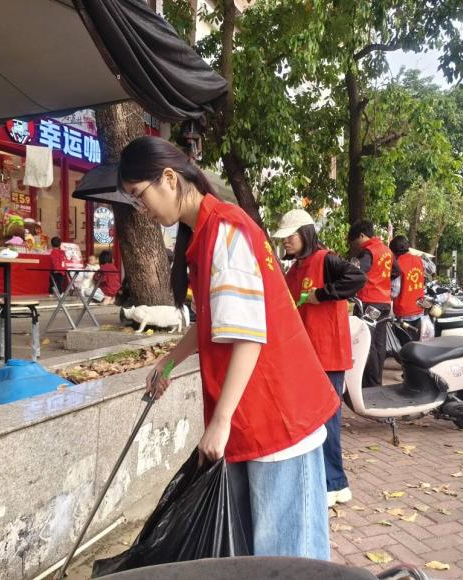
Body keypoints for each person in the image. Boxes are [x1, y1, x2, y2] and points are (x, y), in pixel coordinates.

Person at [118, 136, 339, 560]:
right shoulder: (204, 233)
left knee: (288, 557)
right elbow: (214, 322)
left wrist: (220, 422)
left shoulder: (224, 229)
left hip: (277, 412)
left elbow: (248, 336)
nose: (141, 209)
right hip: (254, 412)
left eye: (139, 195)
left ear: (169, 179)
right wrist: (168, 362)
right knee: (262, 550)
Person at [274, 209, 366, 508]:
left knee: (328, 421)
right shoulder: (294, 269)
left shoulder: (326, 260)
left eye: (290, 236)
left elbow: (357, 278)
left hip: (327, 355)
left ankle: (336, 483)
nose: (285, 241)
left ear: (306, 234)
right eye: (283, 237)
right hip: (303, 356)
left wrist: (322, 294)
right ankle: (320, 480)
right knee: (310, 422)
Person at [348, 221, 400, 388]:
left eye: (355, 241)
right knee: (379, 344)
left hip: (369, 303)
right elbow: (397, 271)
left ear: (362, 235)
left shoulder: (368, 252)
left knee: (366, 343)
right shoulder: (386, 250)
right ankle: (376, 382)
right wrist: (382, 281)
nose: (355, 245)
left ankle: (369, 385)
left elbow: (355, 274)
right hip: (384, 303)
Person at [389, 235, 425, 343]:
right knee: (416, 343)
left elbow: (395, 292)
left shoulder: (398, 264)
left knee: (405, 346)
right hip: (419, 309)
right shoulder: (419, 260)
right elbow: (431, 268)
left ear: (394, 251)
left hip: (404, 312)